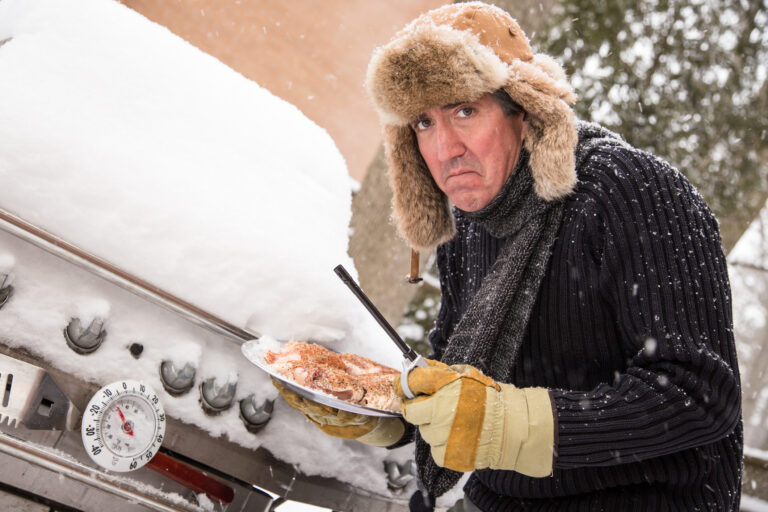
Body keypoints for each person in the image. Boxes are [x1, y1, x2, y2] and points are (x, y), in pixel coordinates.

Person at [275, 2, 743, 511]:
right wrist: (387, 409)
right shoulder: (470, 227)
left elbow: (700, 395)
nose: (444, 148)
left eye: (464, 110)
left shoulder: (632, 193)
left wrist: (513, 424)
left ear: (524, 108)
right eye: (424, 123)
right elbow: (459, 382)